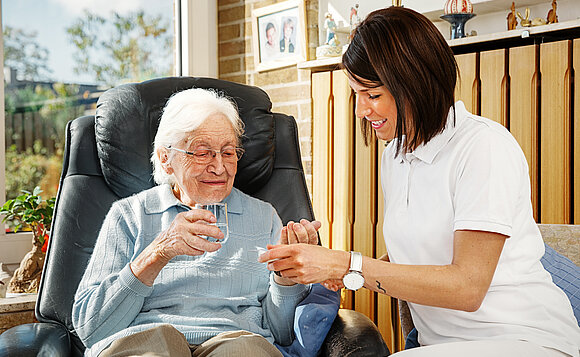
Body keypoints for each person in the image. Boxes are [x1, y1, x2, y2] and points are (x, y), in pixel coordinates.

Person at [260, 7, 580, 357]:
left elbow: (467, 288)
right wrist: (336, 269)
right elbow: (417, 256)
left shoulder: (483, 147)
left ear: (414, 83)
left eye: (373, 95)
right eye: (356, 94)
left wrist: (348, 263)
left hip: (524, 340)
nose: (360, 111)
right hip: (442, 346)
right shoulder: (395, 155)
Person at [72, 88, 320, 357]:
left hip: (235, 339)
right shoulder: (129, 215)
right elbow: (90, 327)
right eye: (202, 153)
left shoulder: (263, 216)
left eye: (228, 152)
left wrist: (286, 277)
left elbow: (282, 333)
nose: (219, 167)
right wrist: (158, 252)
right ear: (166, 159)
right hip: (146, 339)